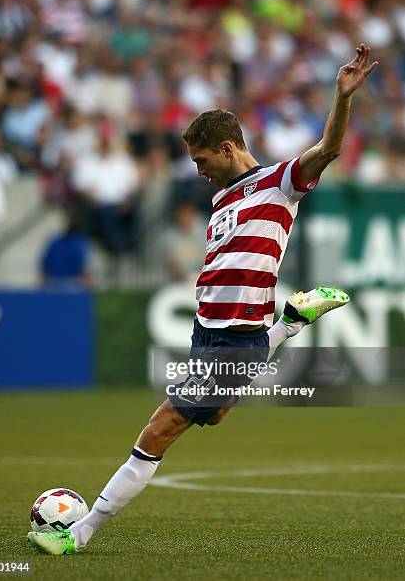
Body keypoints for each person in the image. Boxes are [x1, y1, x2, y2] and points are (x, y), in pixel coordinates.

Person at [27, 44, 378, 555]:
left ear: (230, 147)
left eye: (203, 159)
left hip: (237, 335)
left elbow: (328, 147)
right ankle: (291, 320)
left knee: (161, 425)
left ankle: (76, 536)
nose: (198, 170)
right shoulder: (220, 199)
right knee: (212, 416)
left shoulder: (279, 183)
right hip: (207, 330)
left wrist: (341, 97)